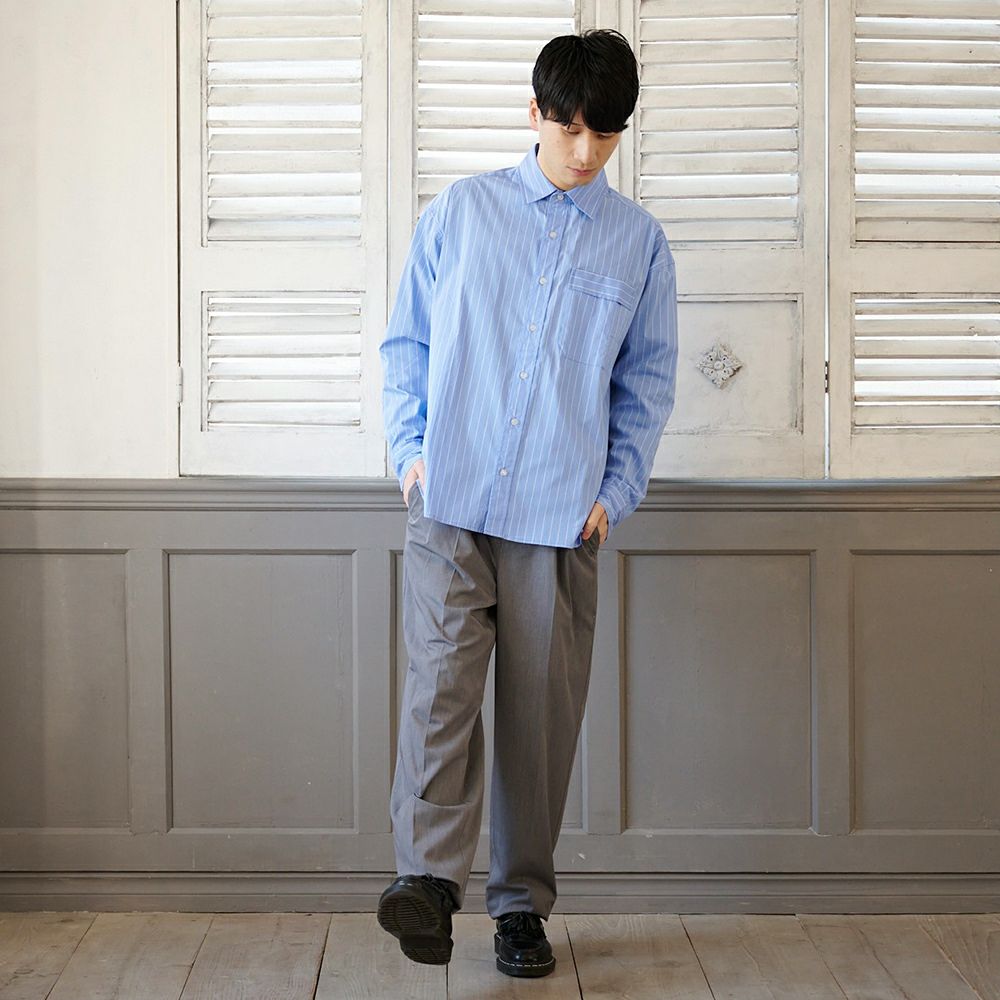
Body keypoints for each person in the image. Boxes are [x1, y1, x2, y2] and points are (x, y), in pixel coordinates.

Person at [376, 28, 678, 979]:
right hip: (451, 502)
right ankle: (428, 883)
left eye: (605, 134)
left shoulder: (638, 243)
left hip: (559, 516)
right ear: (536, 112)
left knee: (538, 727)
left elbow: (647, 382)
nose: (585, 152)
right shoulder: (461, 213)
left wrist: (614, 494)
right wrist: (411, 456)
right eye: (570, 127)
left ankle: (519, 910)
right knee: (439, 693)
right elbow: (407, 344)